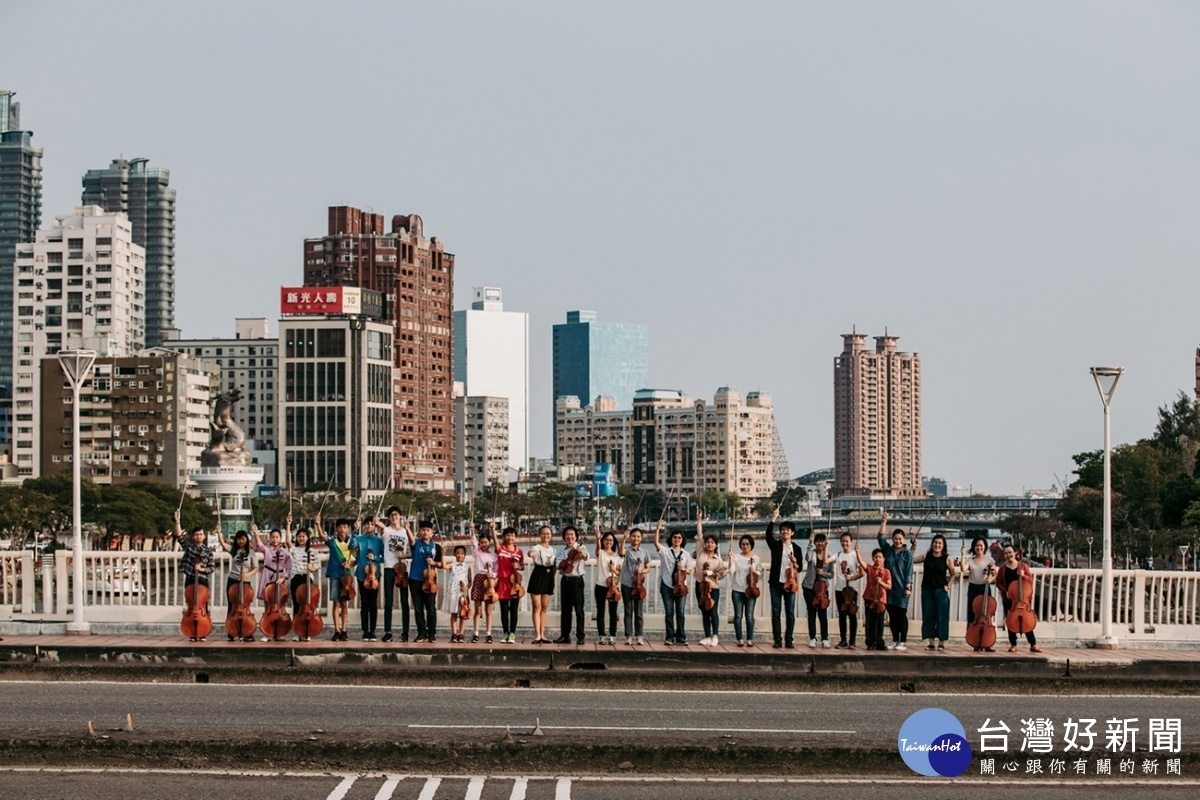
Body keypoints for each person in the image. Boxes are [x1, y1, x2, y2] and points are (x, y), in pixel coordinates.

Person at [764, 509, 804, 648]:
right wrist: (773, 518)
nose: (785, 532)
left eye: (788, 530)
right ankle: (777, 640)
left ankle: (789, 639)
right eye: (783, 530)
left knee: (790, 613)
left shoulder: (797, 549)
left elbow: (799, 567)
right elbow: (768, 535)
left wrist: (794, 562)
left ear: (792, 533)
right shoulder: (776, 545)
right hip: (776, 583)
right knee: (776, 612)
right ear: (780, 532)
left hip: (790, 583)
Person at [173, 510, 214, 641]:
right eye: (196, 534)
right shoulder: (189, 547)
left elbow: (212, 567)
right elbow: (179, 536)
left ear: (204, 536)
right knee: (191, 605)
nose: (198, 536)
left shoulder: (208, 550)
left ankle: (203, 632)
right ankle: (191, 632)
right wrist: (177, 522)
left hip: (203, 580)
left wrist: (201, 569)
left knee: (203, 606)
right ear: (192, 536)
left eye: (201, 534)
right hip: (190, 578)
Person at [876, 511, 913, 650]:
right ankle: (895, 639)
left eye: (900, 539)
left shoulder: (907, 553)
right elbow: (880, 537)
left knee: (901, 614)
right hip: (889, 587)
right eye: (895, 538)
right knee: (891, 614)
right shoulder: (888, 550)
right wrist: (884, 521)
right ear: (892, 539)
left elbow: (909, 571)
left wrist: (908, 587)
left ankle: (902, 641)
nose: (898, 541)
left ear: (903, 539)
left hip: (902, 587)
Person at [995, 544, 1043, 653]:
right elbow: (998, 582)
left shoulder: (1023, 566)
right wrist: (1005, 591)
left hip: (1022, 599)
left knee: (1027, 620)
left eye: (1010, 552)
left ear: (1015, 553)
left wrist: (1023, 575)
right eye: (1006, 553)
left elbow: (1030, 579)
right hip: (1009, 599)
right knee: (1010, 621)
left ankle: (1033, 644)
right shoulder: (1003, 569)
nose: (1008, 555)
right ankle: (1013, 644)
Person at [654, 522, 693, 646]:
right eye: (675, 537)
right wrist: (657, 529)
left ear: (682, 540)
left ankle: (681, 636)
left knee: (680, 612)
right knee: (669, 611)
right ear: (671, 539)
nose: (677, 539)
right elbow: (656, 543)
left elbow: (690, 570)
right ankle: (669, 636)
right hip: (666, 584)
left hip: (681, 585)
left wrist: (683, 569)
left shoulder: (686, 555)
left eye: (679, 538)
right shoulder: (665, 551)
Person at [216, 528, 259, 641]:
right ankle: (231, 631)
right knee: (232, 607)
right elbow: (223, 544)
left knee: (245, 607)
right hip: (233, 580)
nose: (241, 541)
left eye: (243, 539)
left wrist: (247, 574)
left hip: (245, 582)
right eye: (239, 539)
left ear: (247, 539)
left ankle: (247, 632)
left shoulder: (251, 553)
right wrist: (219, 532)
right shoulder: (234, 550)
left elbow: (256, 568)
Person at [317, 514, 354, 642]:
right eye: (340, 527)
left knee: (344, 603)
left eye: (345, 527)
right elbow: (322, 536)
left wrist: (350, 564)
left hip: (346, 575)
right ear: (337, 529)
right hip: (334, 574)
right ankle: (336, 630)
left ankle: (344, 630)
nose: (343, 529)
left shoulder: (352, 541)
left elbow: (356, 558)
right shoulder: (332, 542)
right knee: (336, 603)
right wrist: (318, 524)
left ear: (348, 528)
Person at [915, 533, 954, 651]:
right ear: (932, 544)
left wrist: (948, 586)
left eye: (940, 543)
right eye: (935, 543)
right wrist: (913, 546)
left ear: (943, 546)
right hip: (927, 590)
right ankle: (931, 642)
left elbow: (953, 575)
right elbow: (910, 559)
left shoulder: (947, 558)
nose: (937, 545)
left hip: (940, 591)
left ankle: (941, 642)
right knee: (928, 616)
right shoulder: (926, 556)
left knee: (942, 616)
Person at [407, 520, 444, 643]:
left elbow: (440, 564)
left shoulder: (436, 547)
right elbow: (411, 540)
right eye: (423, 530)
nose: (425, 532)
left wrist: (433, 563)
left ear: (432, 532)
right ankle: (421, 632)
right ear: (419, 531)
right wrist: (407, 529)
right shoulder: (416, 544)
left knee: (431, 608)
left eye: (428, 530)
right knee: (418, 608)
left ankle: (432, 633)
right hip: (415, 579)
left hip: (430, 580)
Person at [694, 513, 727, 647]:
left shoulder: (718, 560)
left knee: (713, 611)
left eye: (712, 543)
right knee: (704, 611)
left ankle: (715, 636)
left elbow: (722, 574)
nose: (709, 544)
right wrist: (699, 519)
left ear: (716, 545)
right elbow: (699, 534)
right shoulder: (701, 552)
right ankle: (707, 636)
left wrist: (712, 573)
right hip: (700, 585)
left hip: (713, 587)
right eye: (708, 542)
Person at [349, 515, 384, 641]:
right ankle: (365, 630)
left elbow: (383, 557)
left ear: (374, 526)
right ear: (364, 526)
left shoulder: (379, 540)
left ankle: (373, 630)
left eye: (371, 524)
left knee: (373, 603)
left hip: (374, 575)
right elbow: (352, 547)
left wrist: (375, 558)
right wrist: (354, 531)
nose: (369, 526)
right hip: (361, 575)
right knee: (364, 603)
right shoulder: (359, 538)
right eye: (367, 524)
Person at [380, 506, 412, 643]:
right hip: (389, 567)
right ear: (388, 517)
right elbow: (380, 526)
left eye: (396, 514)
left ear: (400, 516)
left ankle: (405, 632)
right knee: (389, 602)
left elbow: (412, 550)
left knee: (404, 602)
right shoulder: (387, 531)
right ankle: (388, 631)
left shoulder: (405, 532)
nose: (394, 517)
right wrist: (377, 521)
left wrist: (403, 554)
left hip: (402, 568)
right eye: (391, 515)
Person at [961, 535, 997, 652]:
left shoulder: (989, 560)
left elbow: (994, 572)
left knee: (986, 615)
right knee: (973, 616)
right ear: (973, 547)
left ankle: (987, 643)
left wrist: (991, 579)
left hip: (985, 588)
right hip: (973, 588)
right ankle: (975, 642)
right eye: (976, 545)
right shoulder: (970, 560)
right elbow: (963, 568)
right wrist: (962, 555)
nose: (979, 548)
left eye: (981, 545)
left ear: (985, 547)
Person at [555, 526, 589, 645]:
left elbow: (586, 556)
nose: (570, 537)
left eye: (572, 534)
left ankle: (580, 636)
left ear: (576, 537)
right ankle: (565, 635)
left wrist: (580, 552)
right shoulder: (562, 551)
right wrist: (565, 562)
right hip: (565, 581)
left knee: (579, 610)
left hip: (577, 581)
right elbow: (558, 564)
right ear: (564, 537)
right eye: (567, 534)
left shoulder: (581, 547)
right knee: (565, 610)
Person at [802, 532, 835, 648]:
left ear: (825, 543)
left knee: (823, 614)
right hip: (809, 587)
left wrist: (823, 573)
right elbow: (807, 558)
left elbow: (831, 574)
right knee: (811, 613)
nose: (820, 543)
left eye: (822, 541)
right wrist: (810, 543)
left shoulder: (829, 556)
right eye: (818, 541)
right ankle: (812, 638)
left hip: (822, 588)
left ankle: (825, 638)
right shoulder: (812, 553)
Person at [287, 527, 321, 641]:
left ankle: (307, 631)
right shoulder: (294, 549)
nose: (301, 538)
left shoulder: (312, 551)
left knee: (307, 605)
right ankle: (297, 632)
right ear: (296, 538)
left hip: (307, 579)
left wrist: (311, 568)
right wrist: (288, 525)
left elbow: (316, 566)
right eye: (299, 536)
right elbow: (287, 541)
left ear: (307, 538)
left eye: (303, 536)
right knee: (297, 606)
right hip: (296, 579)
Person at [857, 543, 893, 651]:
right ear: (873, 558)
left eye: (880, 557)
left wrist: (880, 582)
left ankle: (879, 642)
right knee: (870, 621)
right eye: (876, 557)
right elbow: (861, 562)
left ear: (883, 559)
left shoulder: (886, 572)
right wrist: (858, 552)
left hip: (881, 599)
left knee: (880, 621)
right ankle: (870, 642)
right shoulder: (870, 568)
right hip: (869, 598)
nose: (878, 559)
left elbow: (889, 586)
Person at [832, 533, 865, 649]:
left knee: (852, 614)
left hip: (851, 590)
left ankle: (852, 641)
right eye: (842, 541)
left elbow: (862, 572)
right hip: (839, 588)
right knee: (841, 615)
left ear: (851, 542)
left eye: (847, 541)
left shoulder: (855, 555)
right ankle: (843, 640)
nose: (844, 543)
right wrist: (826, 546)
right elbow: (826, 559)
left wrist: (851, 578)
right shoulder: (838, 555)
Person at [728, 534, 762, 647]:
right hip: (737, 589)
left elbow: (760, 574)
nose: (745, 546)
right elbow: (732, 571)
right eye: (743, 544)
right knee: (738, 615)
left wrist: (754, 571)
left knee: (749, 615)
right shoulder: (736, 557)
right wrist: (730, 560)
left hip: (751, 589)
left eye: (747, 544)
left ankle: (749, 639)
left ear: (751, 545)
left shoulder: (756, 558)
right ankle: (739, 639)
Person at [619, 527, 650, 646]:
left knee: (639, 612)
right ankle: (628, 636)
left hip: (639, 585)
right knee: (628, 610)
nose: (636, 538)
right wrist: (624, 539)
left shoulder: (645, 552)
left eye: (638, 536)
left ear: (641, 538)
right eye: (634, 536)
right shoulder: (627, 550)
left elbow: (648, 568)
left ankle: (639, 635)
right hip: (627, 582)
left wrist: (642, 571)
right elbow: (621, 552)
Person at [469, 521, 499, 643]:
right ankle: (476, 633)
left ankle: (488, 633)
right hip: (479, 579)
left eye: (486, 542)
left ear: (489, 543)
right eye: (481, 542)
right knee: (478, 609)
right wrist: (472, 530)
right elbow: (473, 543)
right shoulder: (477, 553)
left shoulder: (493, 556)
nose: (483, 544)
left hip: (489, 582)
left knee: (488, 610)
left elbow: (497, 570)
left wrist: (492, 575)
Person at [527, 526, 557, 644]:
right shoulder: (537, 547)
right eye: (543, 533)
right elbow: (531, 553)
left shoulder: (553, 550)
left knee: (544, 607)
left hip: (549, 577)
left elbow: (554, 565)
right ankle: (537, 635)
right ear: (540, 535)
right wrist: (532, 553)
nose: (546, 536)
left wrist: (552, 577)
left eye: (548, 534)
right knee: (537, 607)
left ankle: (543, 634)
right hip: (538, 575)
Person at [495, 527, 524, 643]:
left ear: (515, 537)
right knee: (504, 610)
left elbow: (523, 566)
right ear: (504, 537)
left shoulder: (519, 551)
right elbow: (495, 541)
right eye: (507, 535)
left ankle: (512, 633)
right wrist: (492, 529)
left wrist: (519, 567)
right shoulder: (500, 549)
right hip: (503, 581)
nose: (510, 538)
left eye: (512, 535)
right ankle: (505, 632)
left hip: (515, 583)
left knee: (514, 609)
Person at [594, 530, 621, 645]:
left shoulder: (617, 555)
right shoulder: (600, 553)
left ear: (614, 541)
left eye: (611, 540)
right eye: (606, 540)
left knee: (613, 612)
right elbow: (598, 548)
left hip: (613, 586)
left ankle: (612, 635)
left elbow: (619, 572)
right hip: (600, 585)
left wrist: (614, 569)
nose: (609, 542)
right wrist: (598, 538)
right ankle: (601, 635)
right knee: (601, 612)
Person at [446, 545, 472, 643]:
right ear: (454, 554)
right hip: (454, 592)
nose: (460, 555)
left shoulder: (467, 567)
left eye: (462, 553)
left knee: (463, 614)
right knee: (454, 613)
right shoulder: (452, 565)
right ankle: (454, 633)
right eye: (458, 553)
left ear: (465, 555)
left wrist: (466, 587)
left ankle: (461, 634)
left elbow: (470, 581)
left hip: (463, 593)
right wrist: (442, 554)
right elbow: (444, 566)